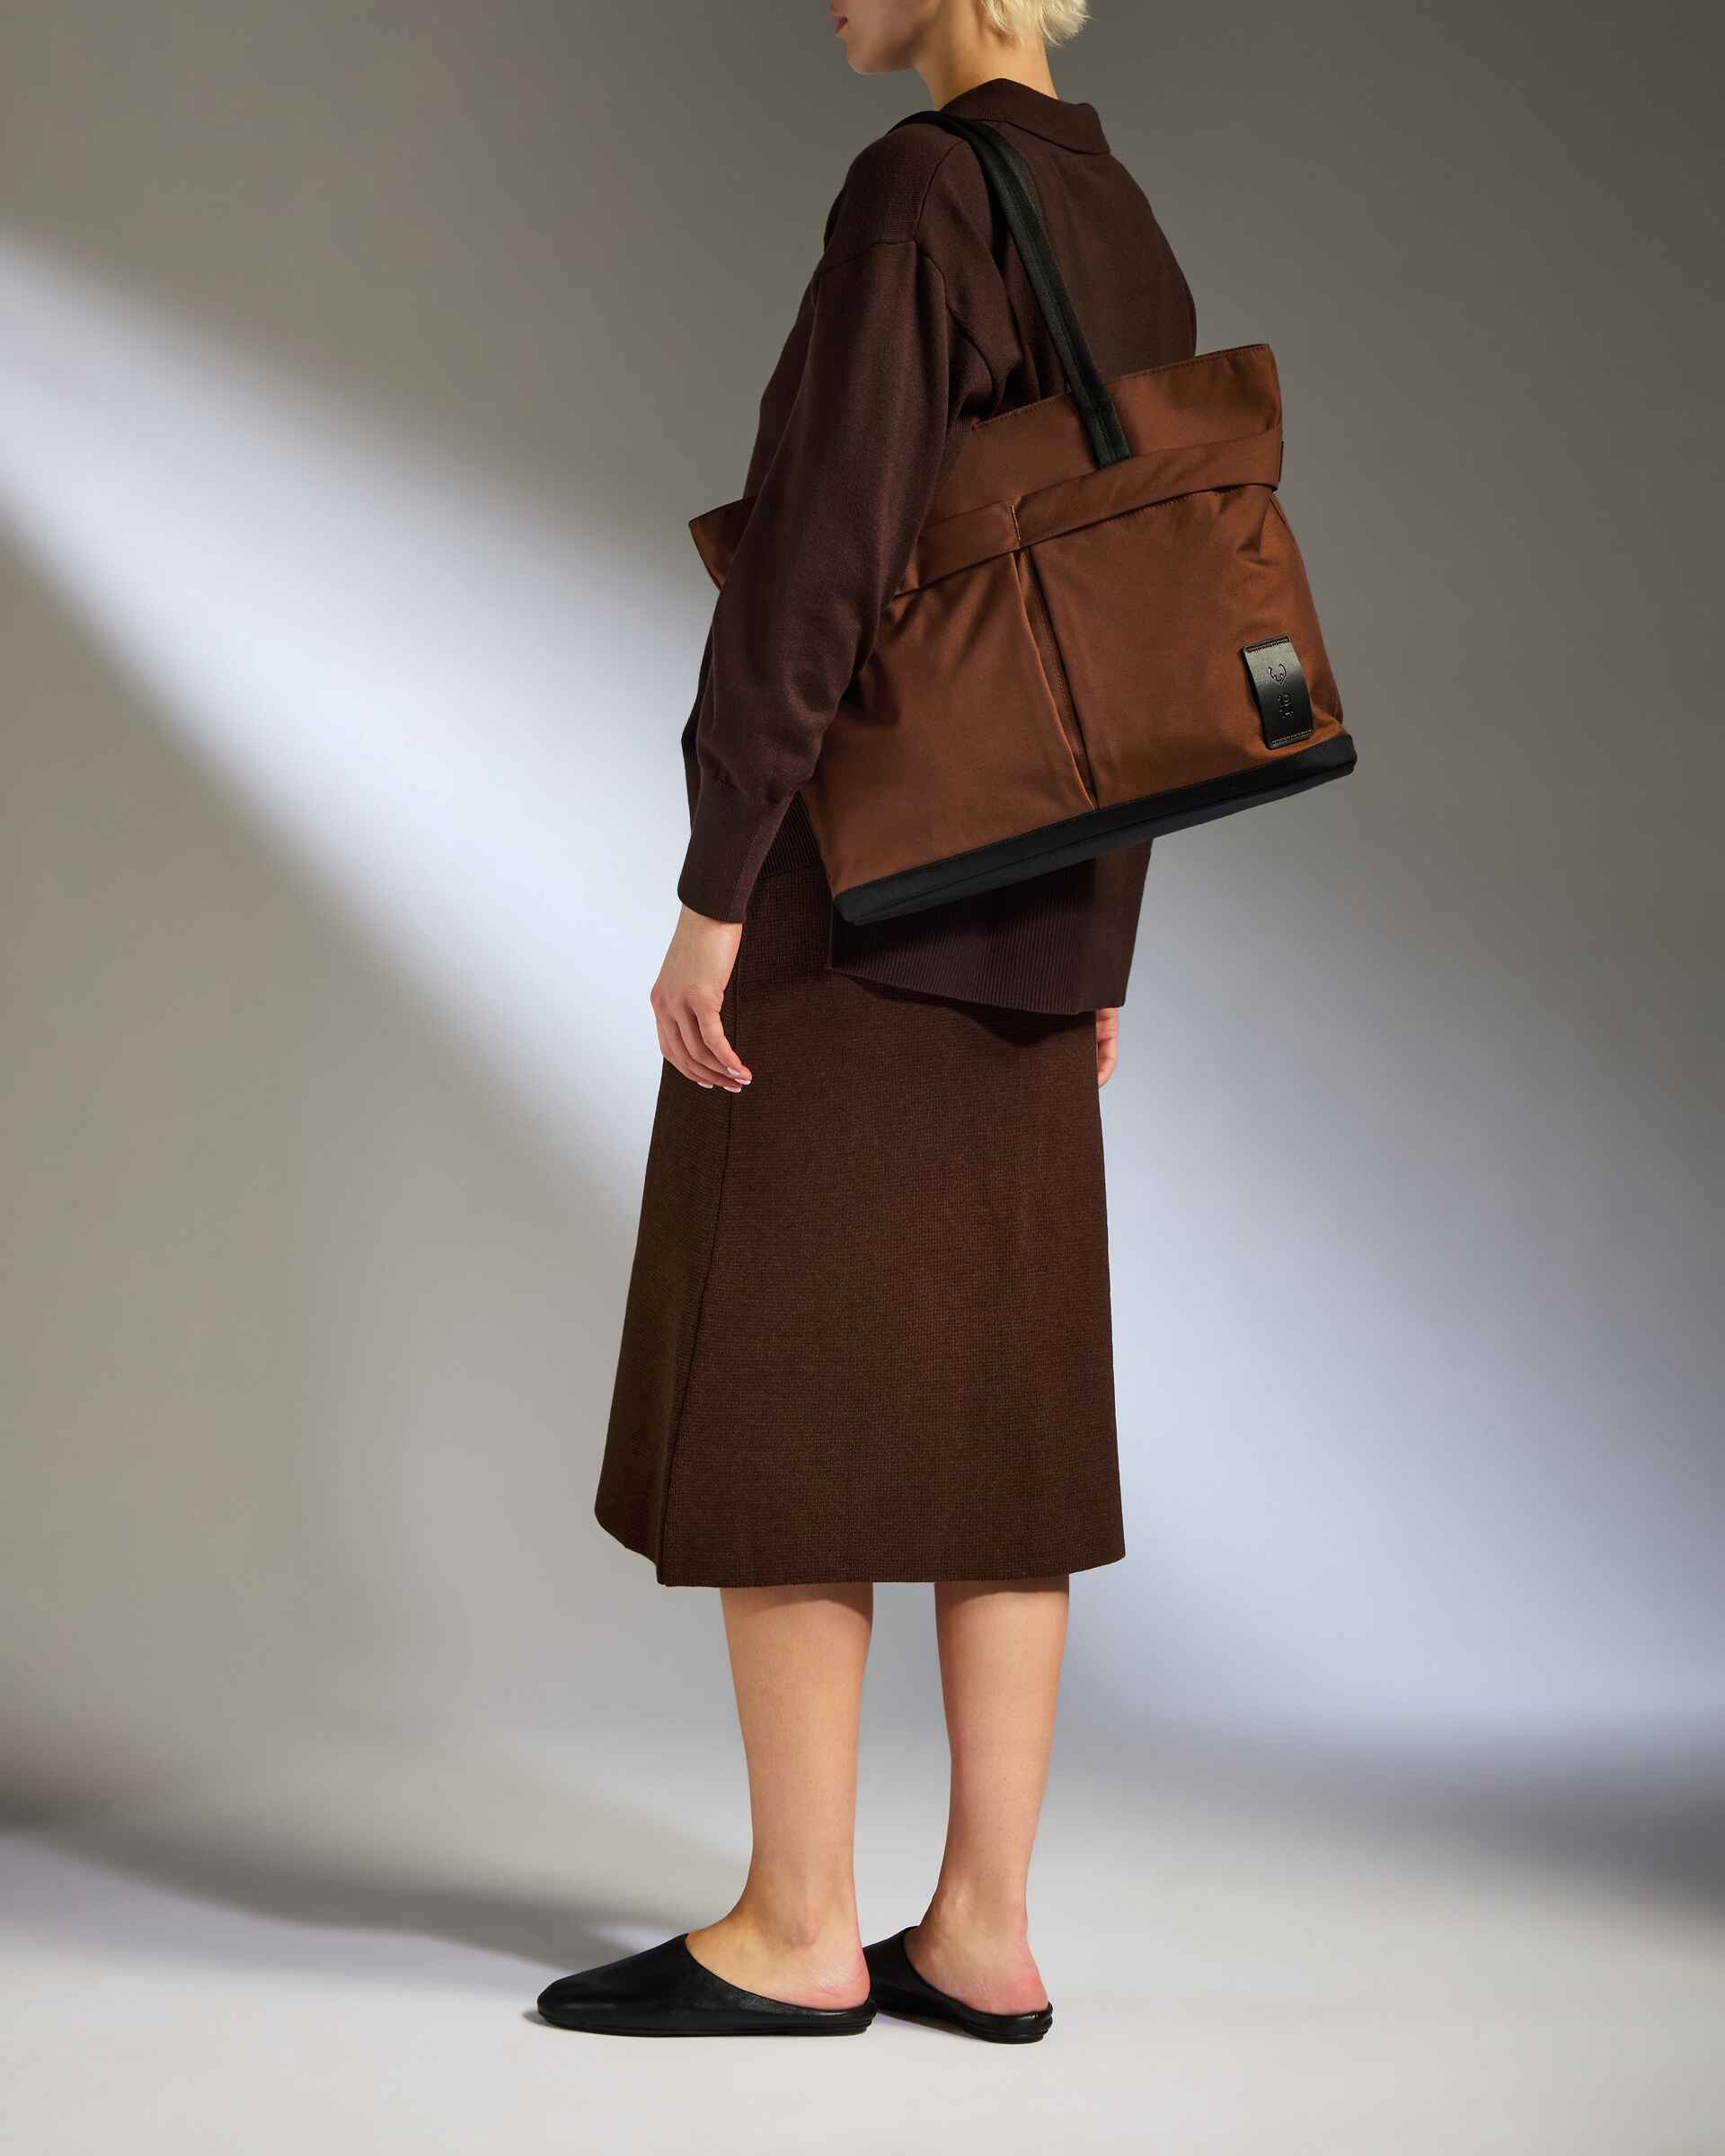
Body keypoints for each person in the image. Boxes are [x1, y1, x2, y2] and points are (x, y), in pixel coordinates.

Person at [539, 0, 1197, 2040]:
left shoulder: (919, 192)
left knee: (782, 1382)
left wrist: (717, 881)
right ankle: (983, 1930)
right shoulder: (1121, 214)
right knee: (1004, 1415)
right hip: (1043, 911)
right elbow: (1152, 613)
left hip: (867, 886)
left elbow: (815, 571)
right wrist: (1104, 942)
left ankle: (798, 1928)